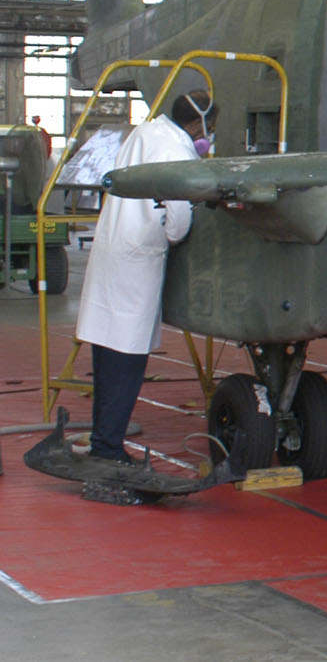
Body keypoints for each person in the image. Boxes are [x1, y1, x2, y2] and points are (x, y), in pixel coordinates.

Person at [73, 92, 215, 464]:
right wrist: (176, 232)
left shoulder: (144, 132)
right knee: (126, 359)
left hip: (113, 247)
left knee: (106, 353)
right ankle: (107, 448)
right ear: (198, 124)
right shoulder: (176, 150)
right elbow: (180, 217)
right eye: (210, 128)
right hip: (137, 259)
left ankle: (102, 436)